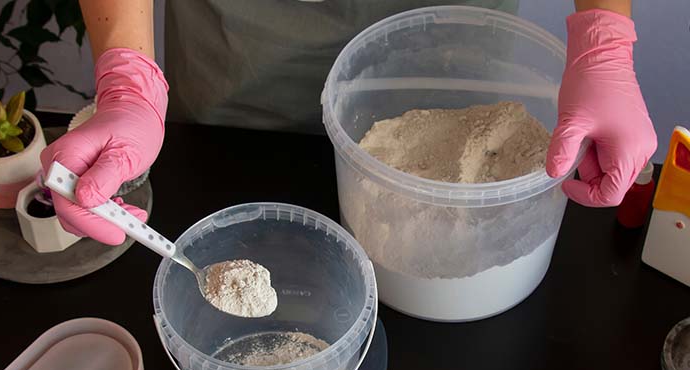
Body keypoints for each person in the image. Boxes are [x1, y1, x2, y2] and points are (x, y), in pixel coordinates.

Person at [39, 0, 656, 245]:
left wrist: (605, 36)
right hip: (248, 34)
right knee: (230, 179)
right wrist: (128, 81)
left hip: (446, 28)